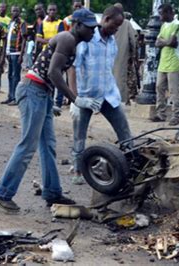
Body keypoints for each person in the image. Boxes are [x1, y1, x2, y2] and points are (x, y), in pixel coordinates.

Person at [0, 8, 98, 212]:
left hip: (41, 93)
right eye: (90, 28)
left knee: (47, 144)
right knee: (28, 145)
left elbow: (54, 74)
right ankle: (2, 193)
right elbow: (53, 72)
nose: (93, 32)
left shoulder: (72, 42)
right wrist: (75, 100)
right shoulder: (67, 38)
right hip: (34, 90)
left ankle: (52, 192)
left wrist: (54, 100)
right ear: (77, 25)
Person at [70, 6, 131, 185]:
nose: (116, 30)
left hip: (109, 95)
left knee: (125, 132)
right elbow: (73, 67)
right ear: (105, 19)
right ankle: (77, 169)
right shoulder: (87, 39)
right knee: (79, 136)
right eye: (114, 25)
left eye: (119, 27)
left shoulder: (112, 41)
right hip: (86, 95)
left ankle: (132, 164)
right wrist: (75, 98)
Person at [151, 4, 179, 126]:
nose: (160, 16)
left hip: (174, 61)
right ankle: (161, 113)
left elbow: (172, 42)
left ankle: (176, 116)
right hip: (163, 62)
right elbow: (157, 42)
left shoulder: (177, 25)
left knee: (173, 91)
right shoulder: (164, 25)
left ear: (169, 12)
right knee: (159, 87)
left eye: (162, 14)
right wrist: (167, 42)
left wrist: (164, 42)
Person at [36, 3, 66, 108]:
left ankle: (58, 102)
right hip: (46, 54)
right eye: (50, 10)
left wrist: (48, 40)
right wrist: (51, 40)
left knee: (59, 78)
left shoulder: (60, 23)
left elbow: (60, 38)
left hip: (58, 53)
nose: (52, 12)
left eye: (54, 10)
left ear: (56, 11)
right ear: (47, 11)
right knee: (47, 77)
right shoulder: (43, 24)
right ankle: (49, 100)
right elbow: (38, 39)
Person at [112, 3, 138, 104]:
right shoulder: (126, 23)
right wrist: (133, 55)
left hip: (109, 54)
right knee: (121, 77)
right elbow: (133, 40)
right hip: (122, 53)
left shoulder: (110, 21)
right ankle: (121, 99)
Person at [1, 5, 27, 106]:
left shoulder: (22, 23)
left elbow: (24, 38)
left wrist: (21, 54)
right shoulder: (10, 23)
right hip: (9, 52)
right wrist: (5, 53)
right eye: (13, 11)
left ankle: (16, 98)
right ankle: (10, 96)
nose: (14, 13)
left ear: (19, 12)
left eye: (16, 11)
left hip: (17, 53)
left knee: (16, 76)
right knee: (10, 76)